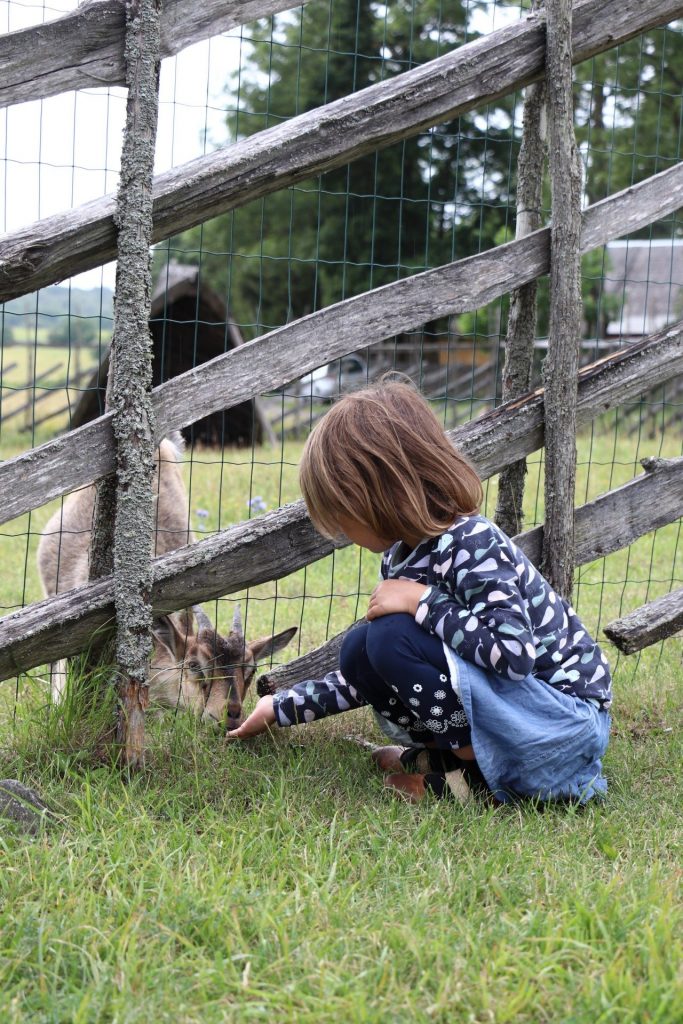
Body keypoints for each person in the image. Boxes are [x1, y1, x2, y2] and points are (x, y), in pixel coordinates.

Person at [227, 379, 612, 805]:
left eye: (341, 509)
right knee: (361, 646)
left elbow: (514, 656)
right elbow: (373, 665)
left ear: (379, 492)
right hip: (521, 718)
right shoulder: (403, 554)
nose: (338, 527)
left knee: (389, 636)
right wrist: (284, 707)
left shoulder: (473, 544)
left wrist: (423, 603)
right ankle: (445, 756)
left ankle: (475, 778)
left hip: (559, 729)